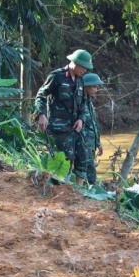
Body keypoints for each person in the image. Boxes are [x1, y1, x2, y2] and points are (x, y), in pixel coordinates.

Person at [34, 49, 93, 184]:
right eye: (83, 67)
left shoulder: (80, 81)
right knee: (65, 159)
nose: (85, 70)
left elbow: (83, 103)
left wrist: (81, 119)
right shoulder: (57, 76)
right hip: (59, 128)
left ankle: (78, 190)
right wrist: (41, 114)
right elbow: (41, 95)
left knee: (83, 158)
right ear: (74, 63)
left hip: (75, 128)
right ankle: (59, 187)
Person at [81, 73, 105, 185]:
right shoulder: (78, 101)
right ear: (86, 86)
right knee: (87, 168)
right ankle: (90, 191)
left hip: (90, 142)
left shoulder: (88, 101)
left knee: (89, 167)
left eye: (97, 87)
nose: (96, 90)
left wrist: (98, 142)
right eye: (94, 87)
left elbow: (93, 124)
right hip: (83, 142)